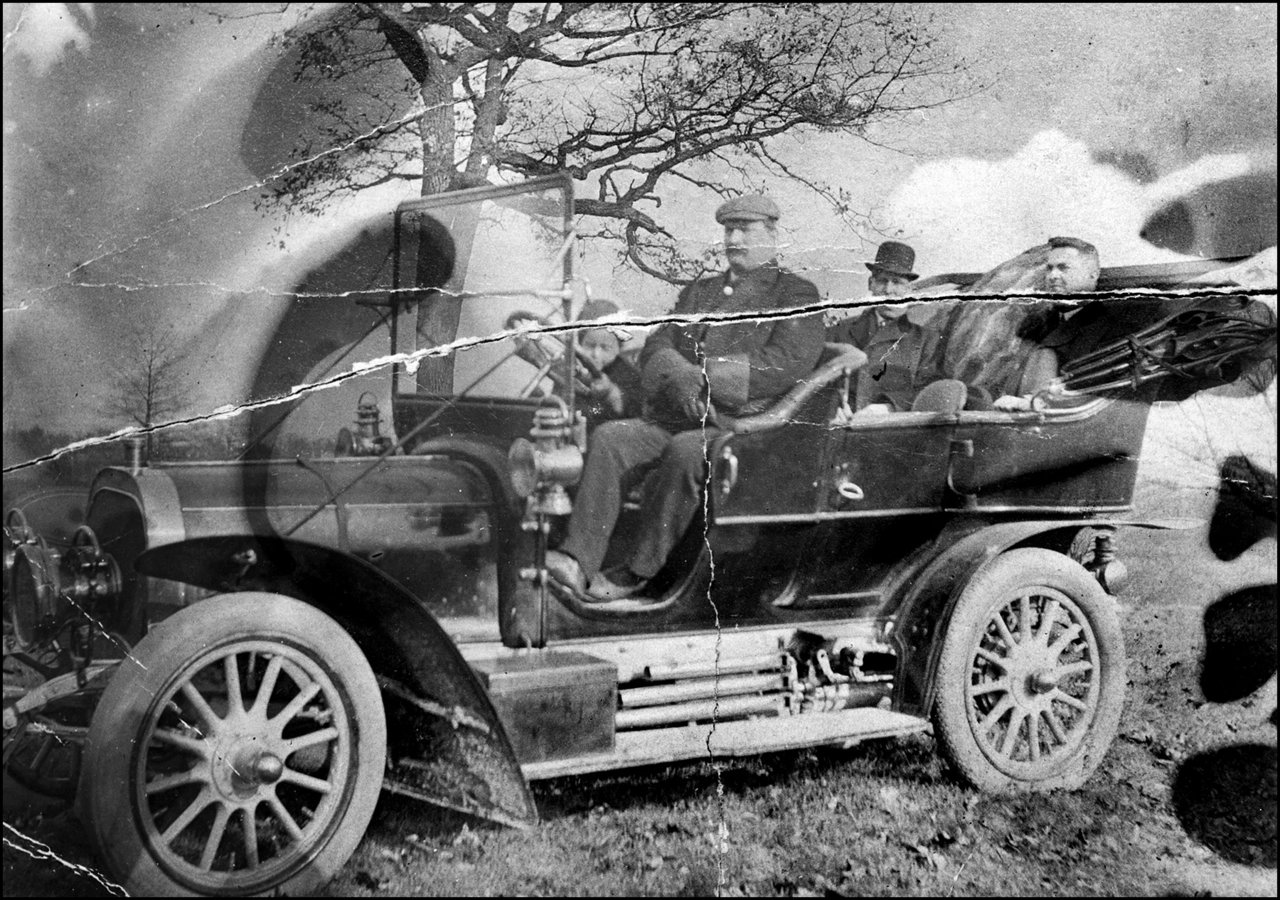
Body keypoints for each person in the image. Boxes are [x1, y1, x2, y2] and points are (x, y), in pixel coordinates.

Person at [545, 194, 825, 602]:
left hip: (745, 429)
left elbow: (783, 364)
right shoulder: (702, 291)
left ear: (772, 234)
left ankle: (638, 572)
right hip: (682, 413)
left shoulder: (795, 294)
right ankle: (576, 561)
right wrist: (681, 376)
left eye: (744, 230)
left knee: (685, 451)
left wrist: (702, 377)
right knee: (612, 438)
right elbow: (659, 341)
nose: (733, 239)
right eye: (729, 230)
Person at [828, 241, 947, 412]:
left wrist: (889, 406)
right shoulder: (840, 331)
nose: (888, 290)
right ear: (871, 284)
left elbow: (930, 391)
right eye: (882, 281)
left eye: (897, 282)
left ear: (909, 289)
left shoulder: (926, 341)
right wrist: (832, 411)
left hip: (890, 430)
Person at [992, 236, 1101, 409]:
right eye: (1049, 269)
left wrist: (1030, 404)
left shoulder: (1110, 326)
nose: (1052, 276)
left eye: (1063, 268)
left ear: (1093, 274)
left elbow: (1090, 393)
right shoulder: (1036, 324)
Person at [573, 299, 644, 429]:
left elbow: (634, 410)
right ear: (580, 342)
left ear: (618, 347)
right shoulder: (572, 367)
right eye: (590, 345)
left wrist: (611, 392)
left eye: (605, 348)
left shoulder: (628, 373)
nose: (596, 354)